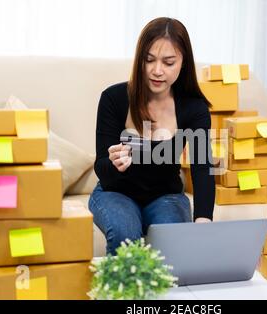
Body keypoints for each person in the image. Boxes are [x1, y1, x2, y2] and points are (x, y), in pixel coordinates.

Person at [88, 17, 215, 255]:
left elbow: (202, 168)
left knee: (173, 243)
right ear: (140, 60)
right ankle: (123, 292)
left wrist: (203, 219)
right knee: (125, 235)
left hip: (166, 195)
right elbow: (101, 167)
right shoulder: (113, 98)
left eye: (168, 62)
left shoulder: (193, 108)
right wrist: (115, 164)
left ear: (183, 63)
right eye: (149, 60)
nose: (157, 71)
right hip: (116, 193)